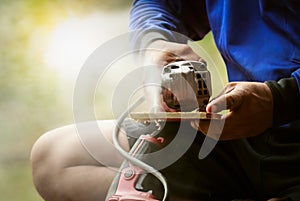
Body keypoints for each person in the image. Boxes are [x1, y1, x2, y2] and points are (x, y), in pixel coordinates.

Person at [31, 0, 300, 200]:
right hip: (239, 130)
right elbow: (160, 4)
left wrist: (283, 97)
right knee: (54, 157)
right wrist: (154, 43)